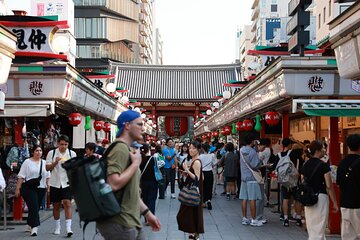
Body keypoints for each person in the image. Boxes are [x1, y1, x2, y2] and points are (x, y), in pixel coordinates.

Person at [96, 110, 161, 240]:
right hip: (119, 221)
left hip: (131, 220)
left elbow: (132, 192)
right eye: (139, 124)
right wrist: (135, 164)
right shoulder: (119, 148)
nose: (143, 128)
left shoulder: (128, 149)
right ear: (127, 126)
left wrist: (148, 214)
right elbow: (113, 183)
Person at [300, 140, 338, 240]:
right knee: (320, 228)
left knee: (312, 228)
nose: (324, 151)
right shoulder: (324, 165)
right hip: (321, 198)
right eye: (323, 149)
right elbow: (329, 186)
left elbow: (303, 182)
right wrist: (334, 202)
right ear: (317, 151)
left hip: (308, 199)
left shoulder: (305, 165)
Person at [15, 145, 50, 236]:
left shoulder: (44, 162)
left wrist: (48, 187)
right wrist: (17, 188)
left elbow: (47, 177)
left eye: (40, 150)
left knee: (35, 208)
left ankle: (29, 224)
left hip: (41, 188)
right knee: (34, 206)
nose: (39, 152)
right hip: (29, 188)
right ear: (33, 152)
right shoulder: (27, 162)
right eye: (37, 150)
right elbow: (21, 176)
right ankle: (35, 227)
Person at [46, 135, 77, 237]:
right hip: (55, 182)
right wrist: (56, 161)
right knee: (56, 205)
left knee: (67, 203)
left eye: (65, 144)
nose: (63, 146)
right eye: (61, 144)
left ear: (68, 144)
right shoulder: (52, 153)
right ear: (58, 144)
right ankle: (57, 227)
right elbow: (47, 168)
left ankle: (68, 228)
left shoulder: (72, 154)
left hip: (67, 182)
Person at [177, 140, 204, 240]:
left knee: (186, 214)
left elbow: (197, 178)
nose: (191, 150)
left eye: (193, 148)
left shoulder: (196, 162)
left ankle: (193, 234)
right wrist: (187, 173)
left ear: (198, 150)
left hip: (192, 192)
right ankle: (194, 235)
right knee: (190, 214)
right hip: (195, 191)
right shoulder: (195, 160)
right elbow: (202, 177)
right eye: (190, 148)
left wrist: (187, 170)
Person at [275, 138, 303, 227]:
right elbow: (301, 166)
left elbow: (276, 169)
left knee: (285, 199)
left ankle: (285, 218)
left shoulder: (278, 155)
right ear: (290, 145)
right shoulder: (295, 154)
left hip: (284, 181)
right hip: (295, 181)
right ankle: (298, 218)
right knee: (297, 199)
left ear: (282, 145)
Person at [337, 134, 360, 240]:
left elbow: (339, 183)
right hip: (358, 204)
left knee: (347, 236)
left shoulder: (342, 163)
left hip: (345, 203)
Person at [239, 133, 263, 227]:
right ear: (252, 141)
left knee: (244, 198)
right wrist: (260, 161)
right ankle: (254, 219)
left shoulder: (241, 150)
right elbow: (256, 165)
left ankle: (244, 218)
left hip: (244, 177)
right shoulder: (252, 152)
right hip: (252, 178)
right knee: (252, 199)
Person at [140, 143, 159, 222]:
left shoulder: (139, 160)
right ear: (149, 150)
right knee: (151, 200)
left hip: (143, 182)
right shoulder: (153, 159)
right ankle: (150, 218)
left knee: (145, 199)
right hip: (153, 182)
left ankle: (146, 218)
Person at [200, 143, 215, 209]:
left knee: (203, 187)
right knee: (209, 187)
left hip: (202, 173)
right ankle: (209, 200)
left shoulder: (200, 156)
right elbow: (214, 163)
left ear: (202, 148)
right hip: (209, 172)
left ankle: (203, 202)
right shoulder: (212, 155)